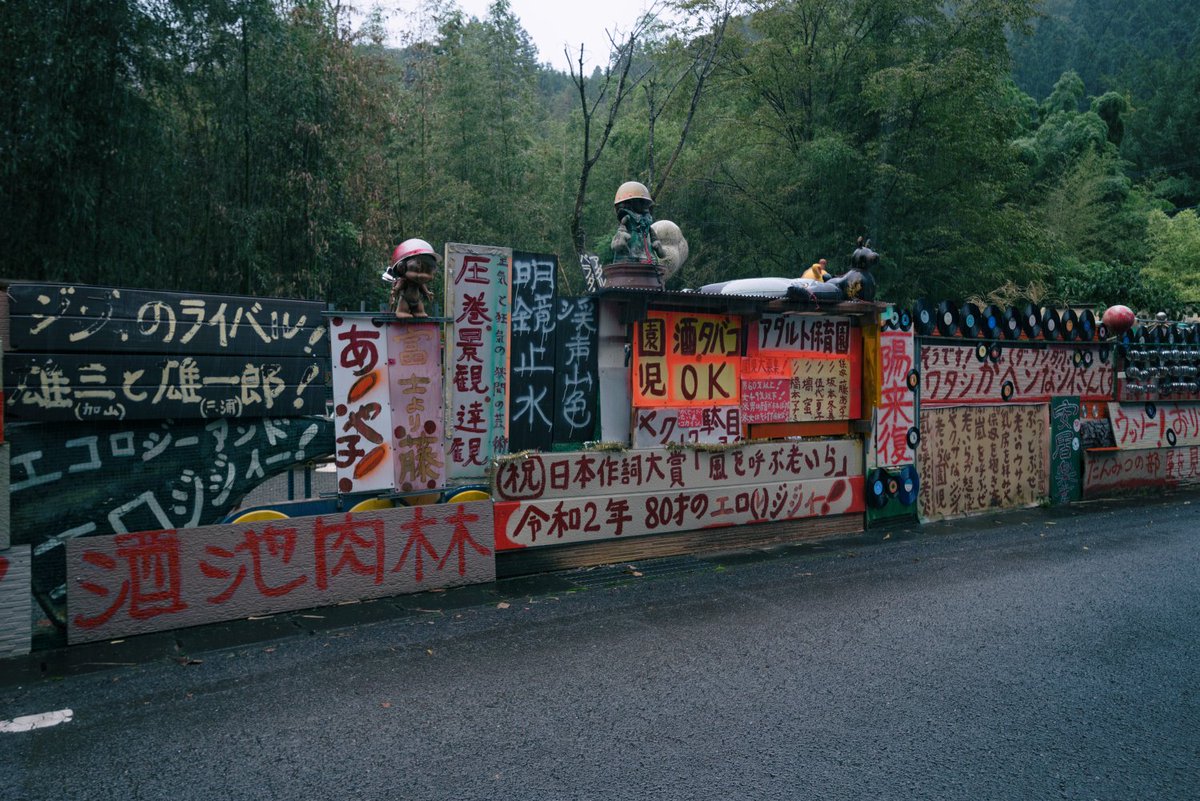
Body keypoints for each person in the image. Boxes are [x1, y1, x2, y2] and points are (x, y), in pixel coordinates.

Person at [384, 238, 439, 318]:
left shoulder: (420, 283)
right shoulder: (404, 281)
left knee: (420, 311)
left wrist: (427, 292)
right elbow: (398, 287)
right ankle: (402, 311)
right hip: (405, 299)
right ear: (401, 267)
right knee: (403, 309)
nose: (423, 275)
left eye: (427, 271)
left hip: (417, 300)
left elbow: (423, 288)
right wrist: (395, 290)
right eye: (416, 270)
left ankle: (418, 312)